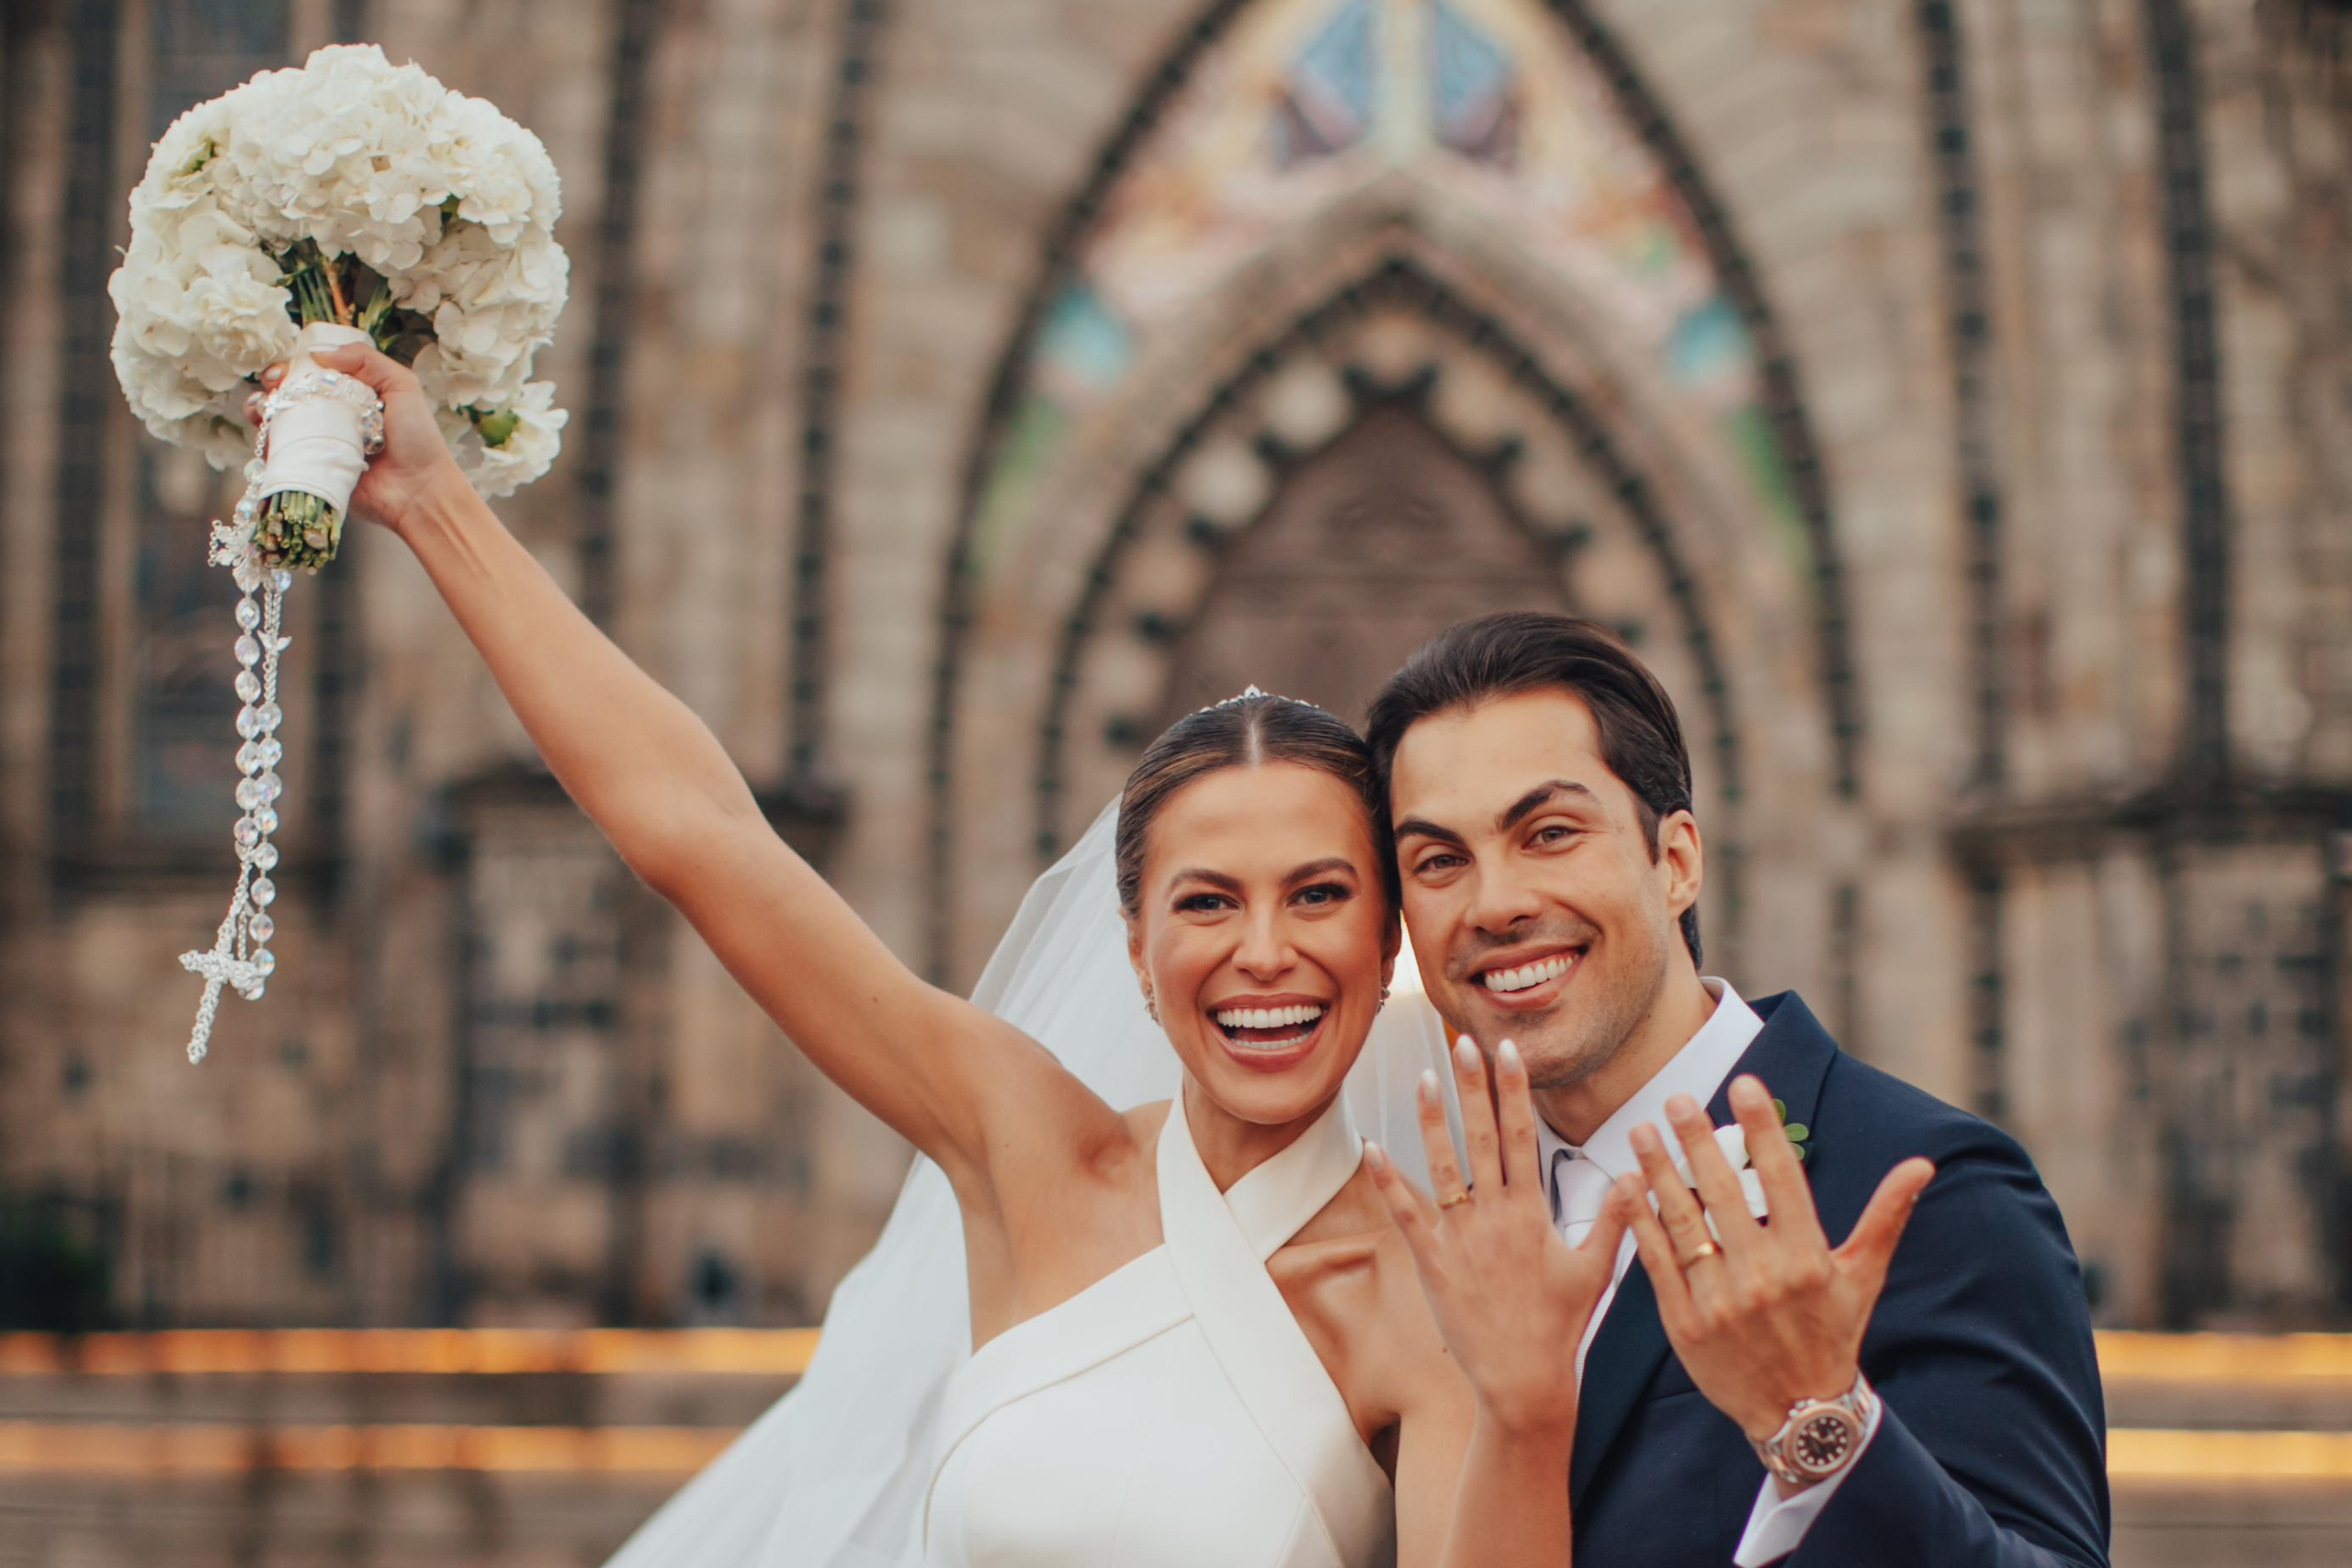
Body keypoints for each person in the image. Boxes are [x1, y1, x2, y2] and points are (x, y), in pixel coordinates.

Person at [244, 346, 1633, 1568]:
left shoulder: (1435, 1290)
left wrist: (1525, 1401)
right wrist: (433, 502)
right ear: (1137, 945)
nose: (1263, 954)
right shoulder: (1030, 1147)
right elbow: (702, 836)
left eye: (1319, 893)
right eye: (1207, 903)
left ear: (1383, 934)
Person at [1359, 611, 2112, 1565]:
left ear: (1674, 861)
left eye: (1548, 833)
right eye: (1437, 861)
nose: (1495, 902)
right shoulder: (1431, 1225)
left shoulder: (1926, 1184)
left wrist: (1815, 1426)